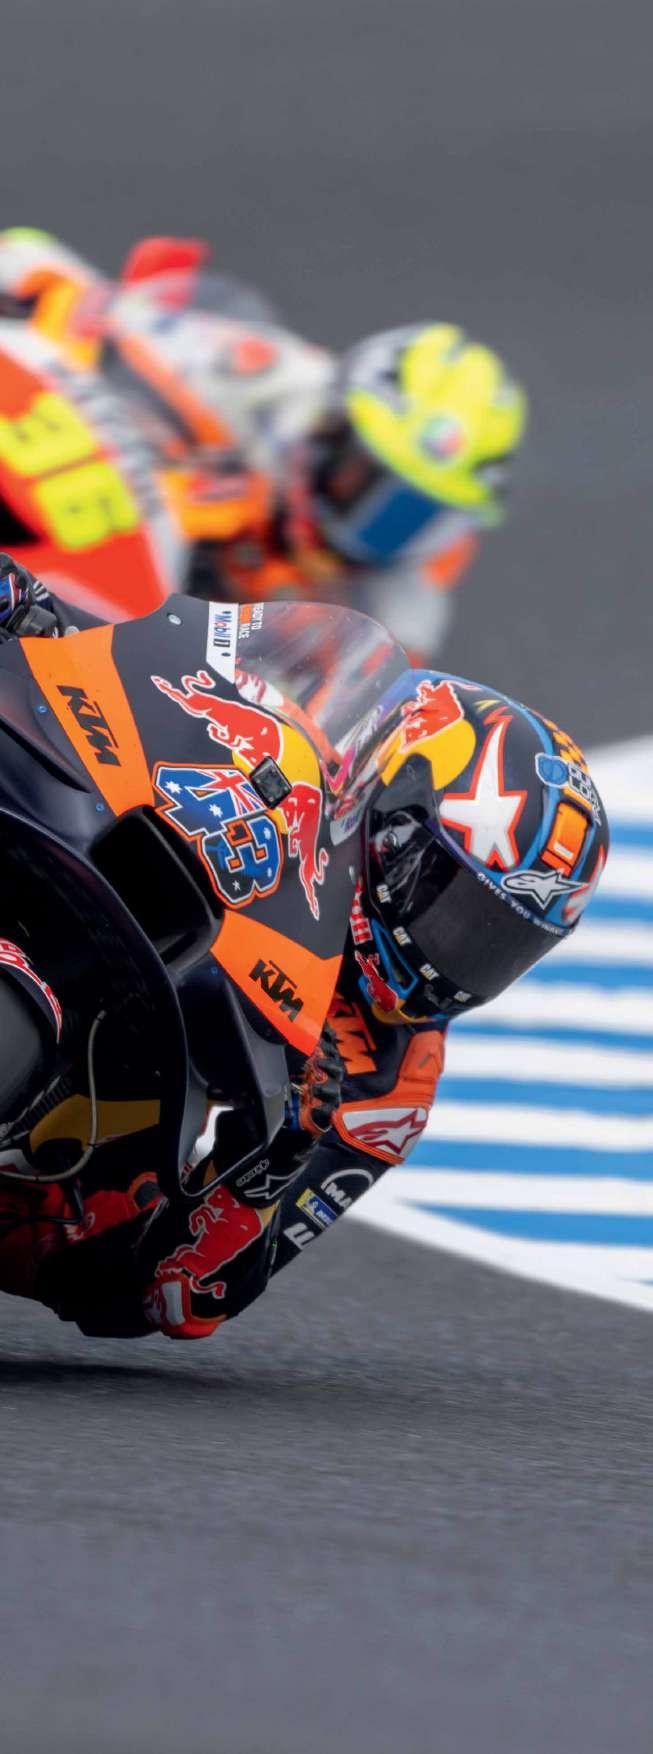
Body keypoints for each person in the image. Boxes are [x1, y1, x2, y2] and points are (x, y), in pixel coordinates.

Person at [0, 557, 609, 1339]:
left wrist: (273, 1165)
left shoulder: (389, 1088)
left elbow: (187, 1304)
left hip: (69, 1172)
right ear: (392, 824)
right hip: (98, 863)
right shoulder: (288, 739)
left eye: (501, 942)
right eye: (455, 907)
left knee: (113, 1234)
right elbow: (147, 667)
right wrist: (42, 615)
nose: (459, 956)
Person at [0, 228, 527, 663]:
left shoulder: (407, 589)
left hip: (145, 649)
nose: (372, 529)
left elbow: (366, 711)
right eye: (363, 482)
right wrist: (51, 286)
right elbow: (112, 314)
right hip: (80, 493)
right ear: (333, 428)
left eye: (413, 517)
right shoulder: (270, 374)